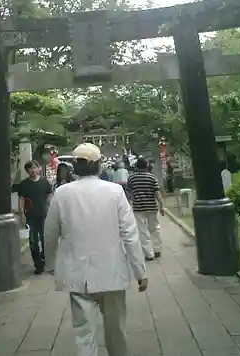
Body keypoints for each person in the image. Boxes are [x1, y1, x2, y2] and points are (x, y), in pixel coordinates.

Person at [44, 143, 147, 356]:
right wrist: (140, 272)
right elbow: (130, 234)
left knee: (84, 334)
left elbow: (50, 233)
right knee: (116, 330)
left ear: (74, 167)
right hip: (112, 272)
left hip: (77, 275)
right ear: (99, 165)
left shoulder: (62, 194)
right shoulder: (115, 191)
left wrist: (51, 264)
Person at [16, 160, 53, 275]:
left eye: (34, 168)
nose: (32, 170)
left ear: (38, 168)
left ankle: (45, 259)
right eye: (29, 169)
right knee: (33, 241)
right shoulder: (24, 185)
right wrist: (22, 214)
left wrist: (50, 208)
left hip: (44, 215)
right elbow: (21, 199)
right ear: (27, 171)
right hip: (30, 215)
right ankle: (38, 264)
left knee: (45, 239)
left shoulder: (44, 182)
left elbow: (49, 196)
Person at [127, 157, 164, 261]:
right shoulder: (152, 178)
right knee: (154, 228)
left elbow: (129, 193)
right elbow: (157, 193)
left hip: (138, 208)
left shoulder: (131, 178)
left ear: (136, 166)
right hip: (152, 207)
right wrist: (162, 206)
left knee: (142, 231)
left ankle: (149, 254)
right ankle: (157, 249)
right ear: (146, 166)